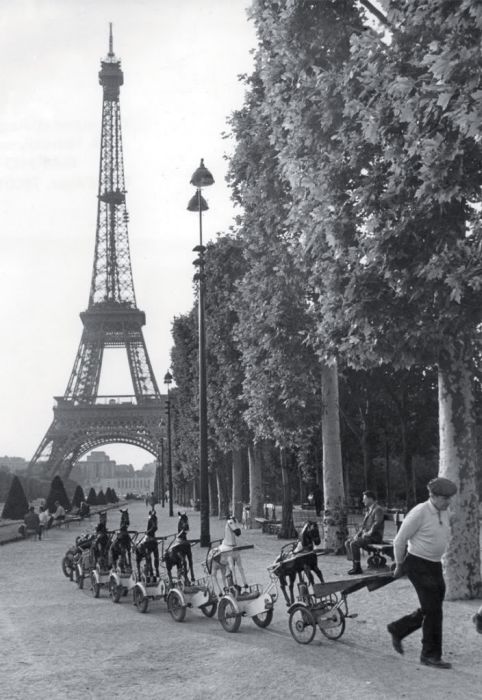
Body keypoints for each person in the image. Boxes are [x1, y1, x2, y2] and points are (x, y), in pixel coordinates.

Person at [386, 476, 457, 670]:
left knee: (432, 606)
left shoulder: (444, 510)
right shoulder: (419, 512)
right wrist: (400, 565)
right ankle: (430, 655)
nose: (448, 501)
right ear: (432, 496)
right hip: (417, 563)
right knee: (433, 610)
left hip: (434, 564)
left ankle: (398, 628)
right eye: (445, 498)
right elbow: (399, 540)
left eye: (450, 498)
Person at [345, 490, 384, 575]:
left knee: (354, 544)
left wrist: (368, 533)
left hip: (375, 537)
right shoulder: (369, 510)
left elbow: (377, 523)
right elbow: (363, 526)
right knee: (348, 542)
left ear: (370, 499)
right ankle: (355, 565)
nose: (363, 501)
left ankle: (358, 568)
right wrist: (357, 535)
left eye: (364, 499)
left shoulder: (378, 509)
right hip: (367, 537)